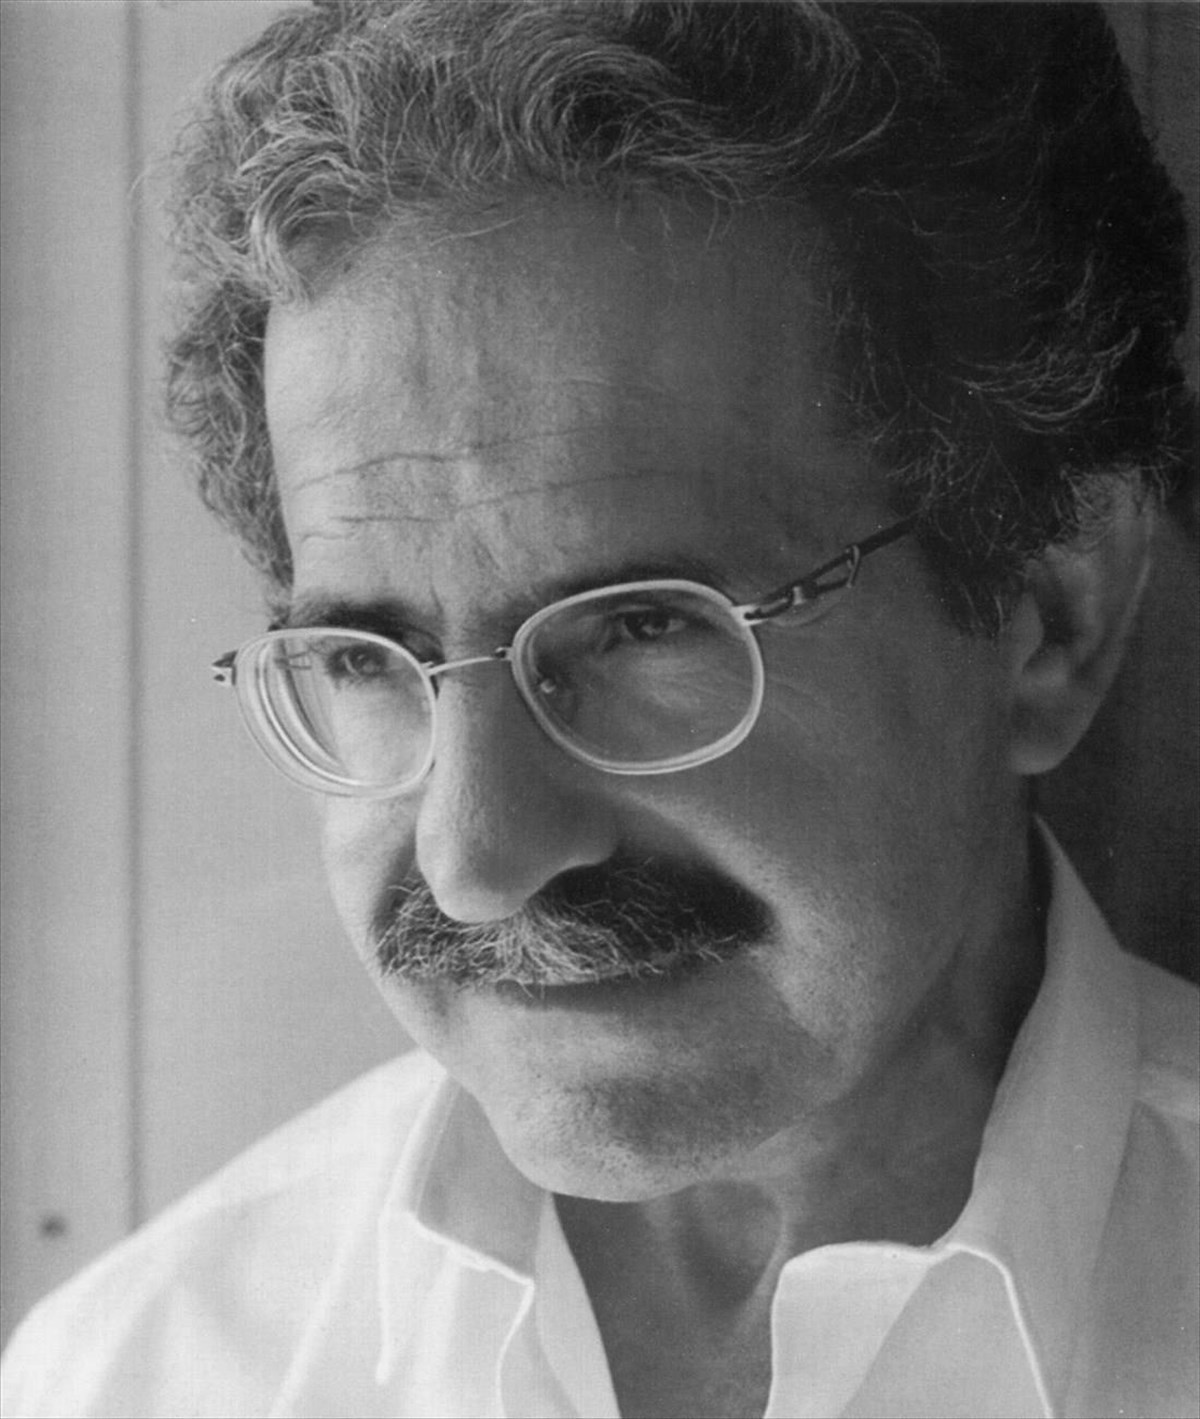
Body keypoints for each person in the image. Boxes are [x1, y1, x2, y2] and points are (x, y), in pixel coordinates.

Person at [3, 3, 1197, 1416]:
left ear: (1049, 619)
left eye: (642, 628)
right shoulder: (132, 1375)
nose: (476, 858)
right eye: (369, 659)